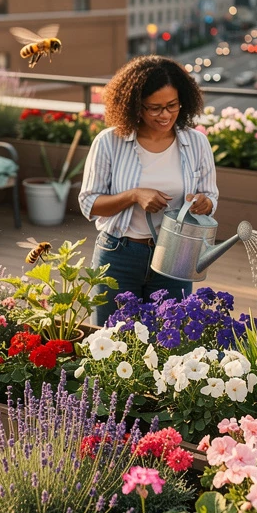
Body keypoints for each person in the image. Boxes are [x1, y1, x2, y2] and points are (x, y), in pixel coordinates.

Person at [79, 55, 219, 326]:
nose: (165, 115)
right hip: (119, 254)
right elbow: (89, 203)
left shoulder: (197, 143)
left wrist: (205, 203)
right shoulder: (109, 142)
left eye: (172, 105)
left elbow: (210, 196)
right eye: (154, 108)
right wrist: (133, 195)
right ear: (135, 105)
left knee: (170, 340)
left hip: (176, 257)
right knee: (111, 336)